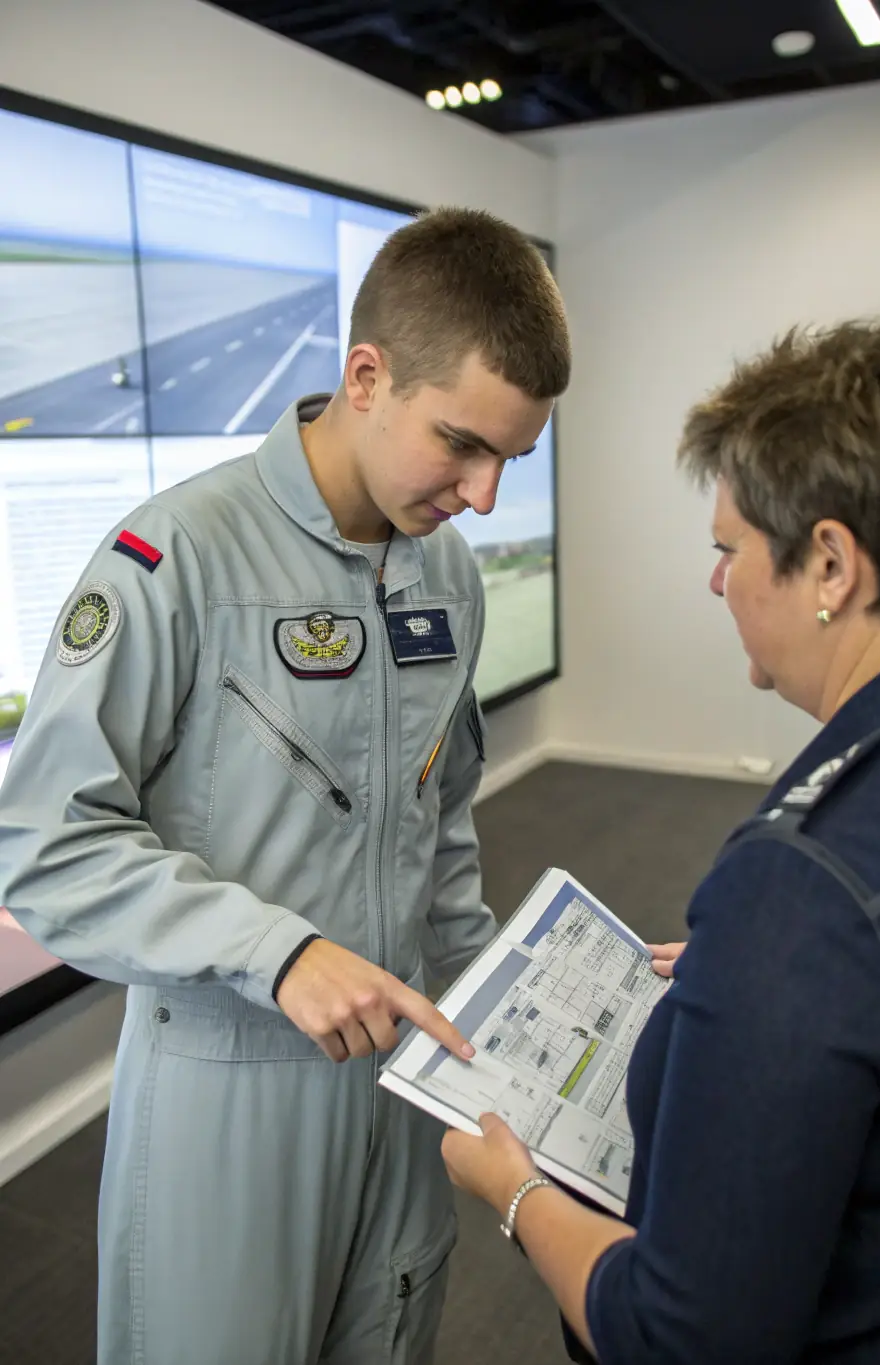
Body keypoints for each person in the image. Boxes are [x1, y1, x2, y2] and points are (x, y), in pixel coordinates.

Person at [0, 207, 570, 1365]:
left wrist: (504, 1032)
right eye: (461, 444)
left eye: (510, 459)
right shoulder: (175, 558)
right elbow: (45, 848)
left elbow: (439, 834)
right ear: (366, 377)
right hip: (229, 1088)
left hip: (404, 1080)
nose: (483, 495)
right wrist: (277, 952)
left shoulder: (448, 575)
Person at [441, 321, 880, 1364]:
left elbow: (684, 1337)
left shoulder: (800, 890)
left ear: (830, 564)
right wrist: (766, 988)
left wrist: (515, 1190)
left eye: (729, 549)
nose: (718, 583)